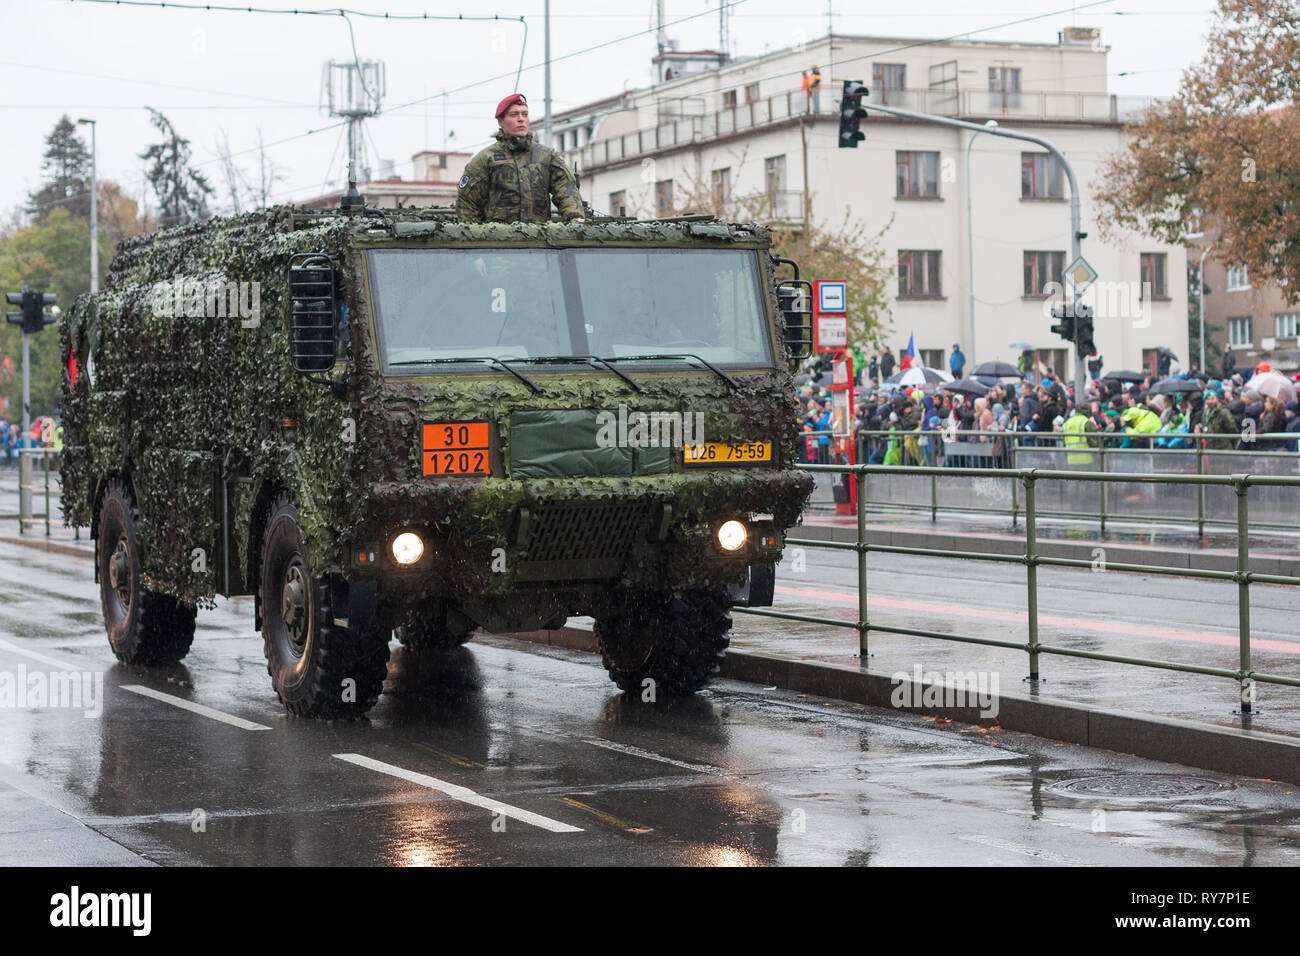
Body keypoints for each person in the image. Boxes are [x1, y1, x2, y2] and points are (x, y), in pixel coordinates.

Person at [457, 93, 585, 224]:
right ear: (501, 121)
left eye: (525, 114)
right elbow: (467, 203)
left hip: (539, 238)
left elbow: (566, 190)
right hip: (498, 240)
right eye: (514, 115)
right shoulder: (486, 159)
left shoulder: (546, 156)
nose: (521, 119)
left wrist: (574, 218)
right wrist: (475, 238)